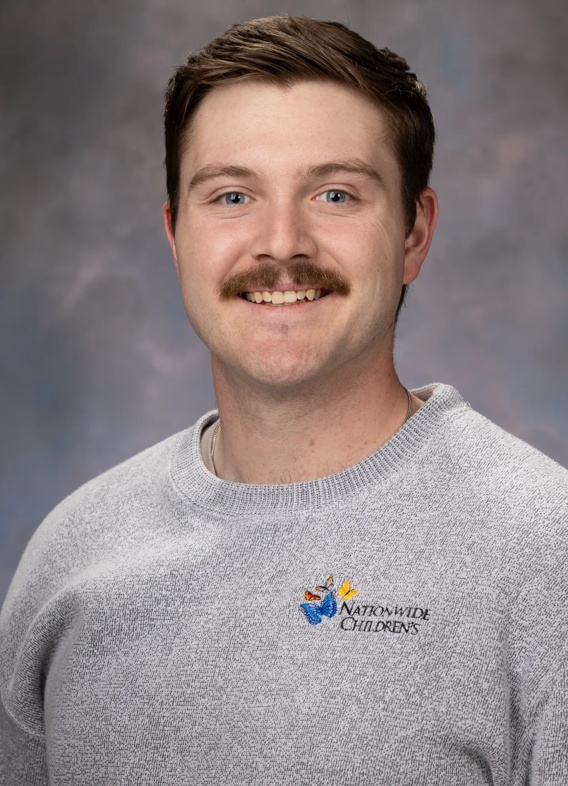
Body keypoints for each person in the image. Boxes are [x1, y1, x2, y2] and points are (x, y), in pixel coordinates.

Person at [1, 14, 567, 786]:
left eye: (335, 194)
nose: (280, 243)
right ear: (176, 238)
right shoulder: (71, 555)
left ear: (413, 234)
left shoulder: (544, 551)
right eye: (232, 196)